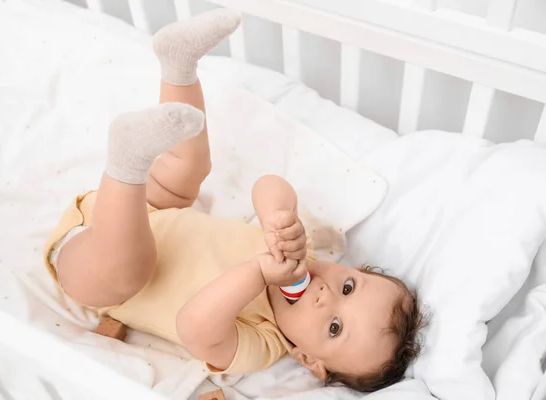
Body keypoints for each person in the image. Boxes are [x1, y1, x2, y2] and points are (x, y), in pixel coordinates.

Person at [43, 9, 425, 392]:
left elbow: (194, 326)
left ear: (309, 360)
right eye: (348, 288)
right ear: (352, 270)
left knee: (131, 268)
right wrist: (278, 215)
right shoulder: (299, 252)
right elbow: (269, 185)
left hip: (93, 271)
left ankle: (126, 163)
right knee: (188, 167)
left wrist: (257, 273)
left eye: (334, 327)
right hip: (148, 212)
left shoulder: (262, 343)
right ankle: (179, 66)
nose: (326, 296)